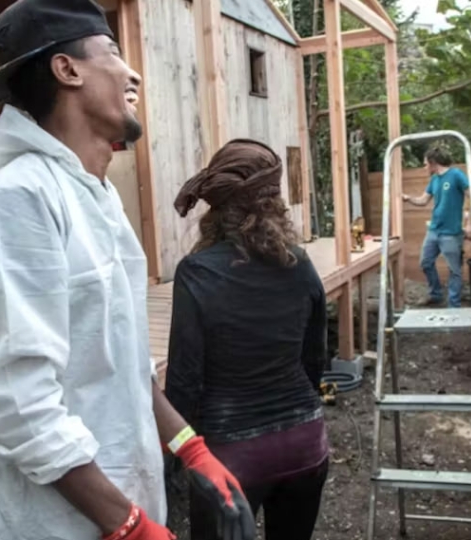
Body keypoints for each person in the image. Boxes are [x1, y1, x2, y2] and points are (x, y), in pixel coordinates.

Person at [0, 2, 254, 539]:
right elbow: (19, 404)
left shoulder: (98, 199)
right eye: (114, 53)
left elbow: (122, 363)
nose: (135, 74)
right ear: (68, 69)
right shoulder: (13, 203)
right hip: (47, 523)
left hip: (116, 507)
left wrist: (192, 450)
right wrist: (128, 526)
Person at [164, 139, 330, 540]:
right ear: (275, 202)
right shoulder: (300, 263)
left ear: (217, 208)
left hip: (230, 456)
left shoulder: (196, 272)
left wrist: (172, 461)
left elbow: (185, 381)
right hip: (305, 442)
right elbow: (315, 360)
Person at [402, 146, 471, 307]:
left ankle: (454, 306)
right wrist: (407, 198)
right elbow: (423, 200)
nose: (425, 167)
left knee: (454, 270)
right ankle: (436, 294)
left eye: (426, 164)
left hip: (451, 233)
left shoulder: (456, 175)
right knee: (425, 263)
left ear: (433, 163)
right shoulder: (434, 180)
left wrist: (469, 223)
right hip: (434, 231)